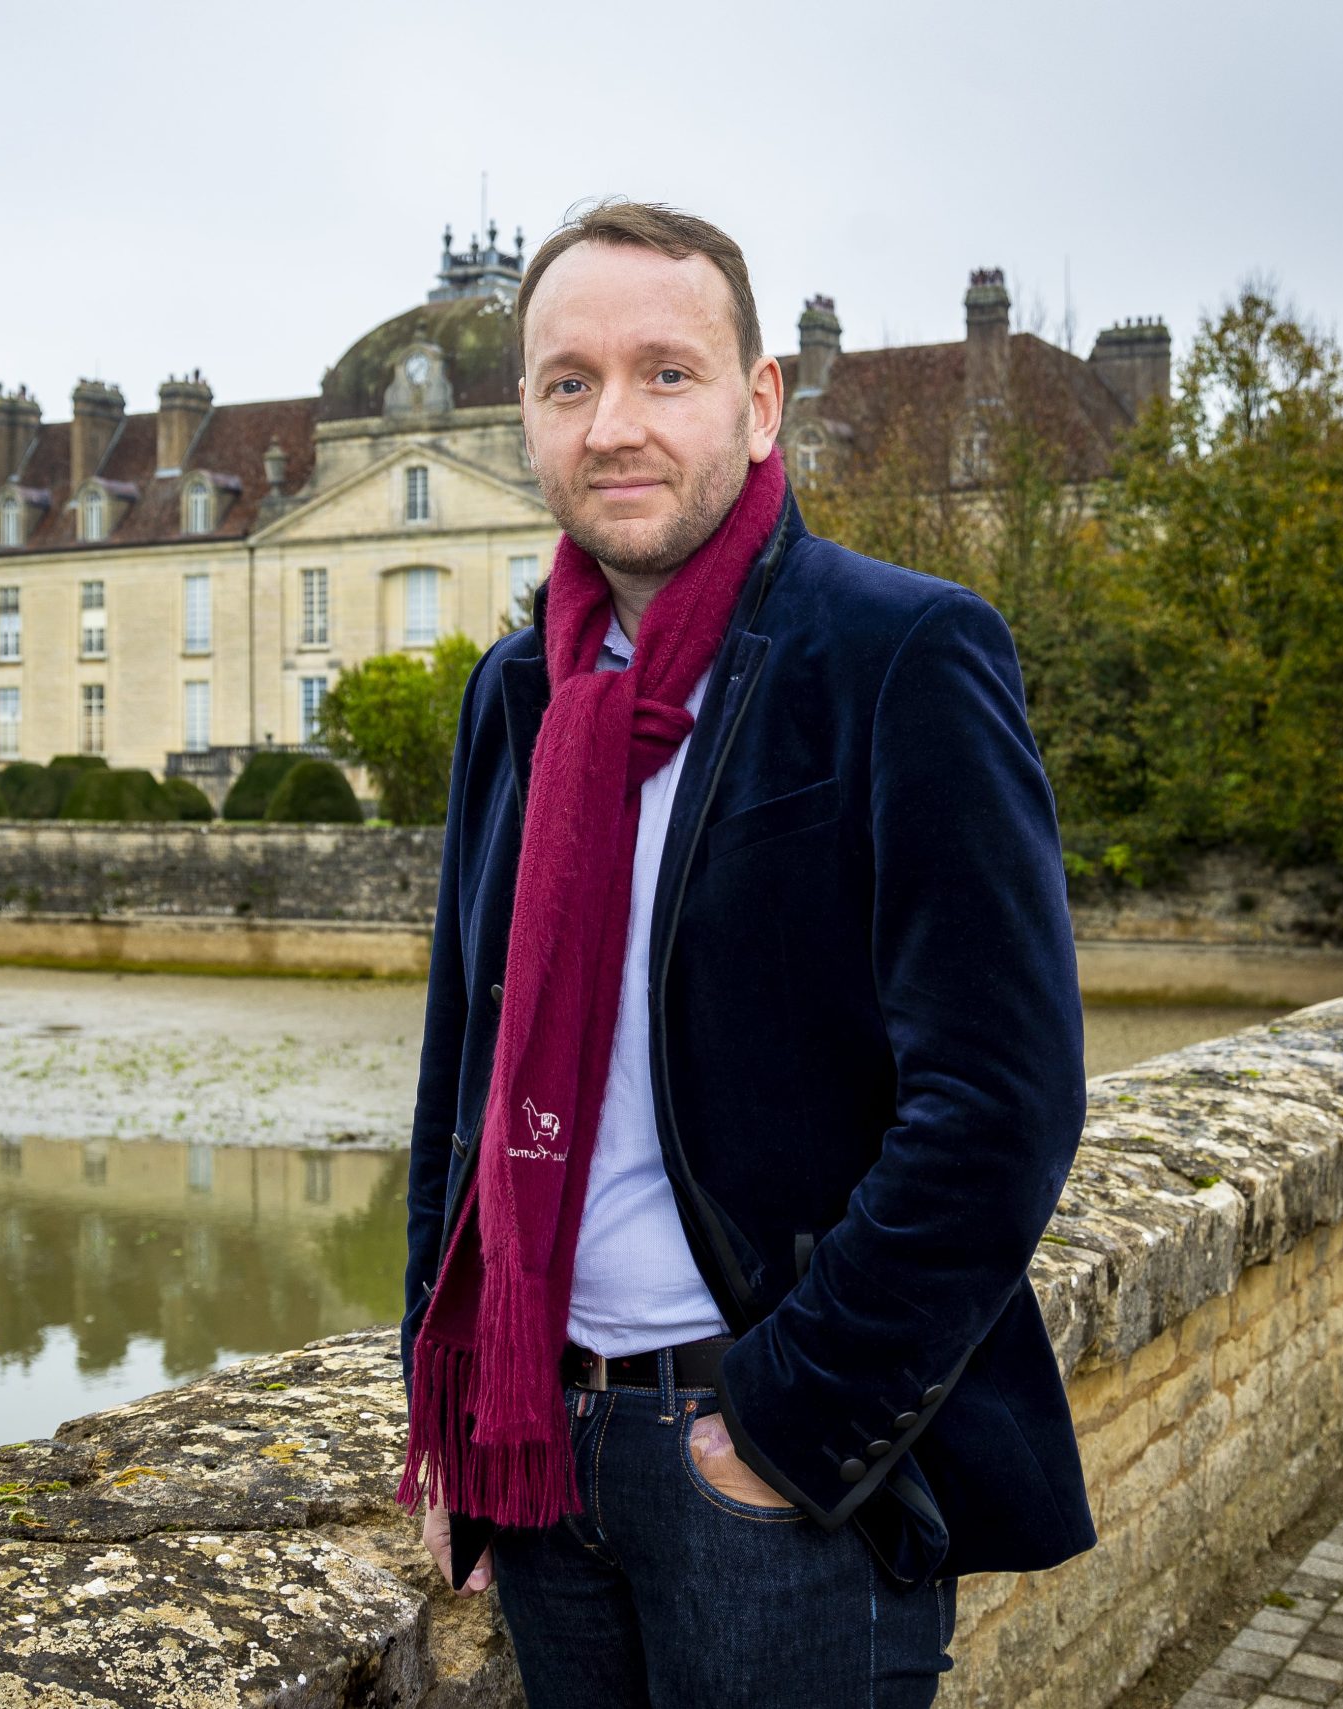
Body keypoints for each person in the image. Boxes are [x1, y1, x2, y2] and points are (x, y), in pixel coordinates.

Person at [395, 200, 1096, 1708]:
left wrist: (777, 1423)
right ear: (524, 417)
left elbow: (1002, 1100)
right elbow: (461, 1070)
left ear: (760, 401)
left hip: (765, 1470)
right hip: (538, 1450)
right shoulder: (514, 692)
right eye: (568, 382)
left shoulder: (900, 653)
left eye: (666, 373)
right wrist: (443, 1383)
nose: (614, 424)